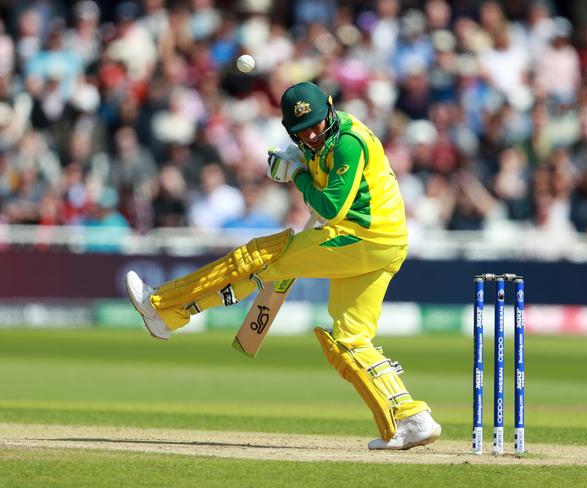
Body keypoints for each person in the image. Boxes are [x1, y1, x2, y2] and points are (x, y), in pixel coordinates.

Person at [125, 81, 441, 450]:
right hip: (382, 245)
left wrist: (297, 175)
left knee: (261, 255)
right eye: (301, 131)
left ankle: (163, 306)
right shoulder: (312, 143)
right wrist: (294, 163)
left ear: (330, 108)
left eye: (317, 124)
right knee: (349, 339)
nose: (312, 134)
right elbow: (315, 190)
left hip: (363, 238)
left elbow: (330, 208)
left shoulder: (349, 142)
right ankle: (410, 418)